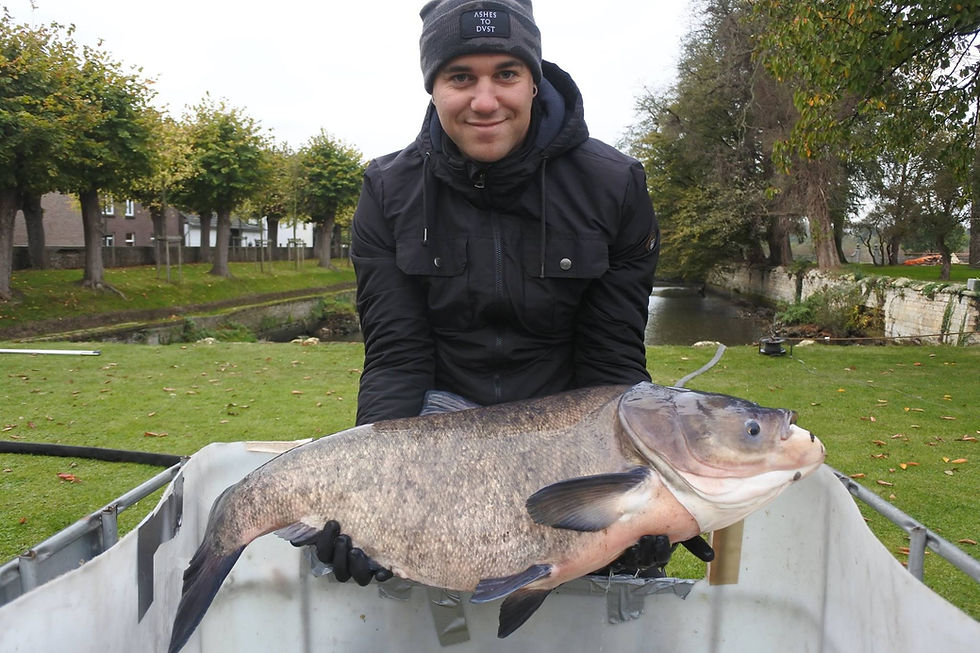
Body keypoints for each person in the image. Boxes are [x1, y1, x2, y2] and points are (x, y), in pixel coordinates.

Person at [295, 0, 713, 585]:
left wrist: (633, 497)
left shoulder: (614, 184)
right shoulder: (386, 190)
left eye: (506, 75)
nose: (485, 101)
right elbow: (396, 356)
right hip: (436, 454)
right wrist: (371, 488)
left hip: (567, 459)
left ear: (535, 82)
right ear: (433, 87)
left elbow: (610, 361)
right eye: (460, 77)